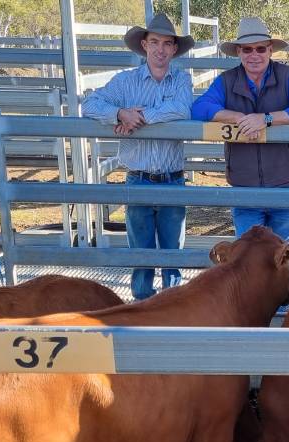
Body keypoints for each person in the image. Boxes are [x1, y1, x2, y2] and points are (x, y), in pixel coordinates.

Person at [82, 14, 194, 300]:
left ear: (173, 49)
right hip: (138, 178)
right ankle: (142, 306)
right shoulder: (125, 82)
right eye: (154, 42)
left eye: (167, 44)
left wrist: (137, 117)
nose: (160, 49)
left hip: (172, 179)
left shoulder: (182, 80)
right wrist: (119, 114)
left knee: (173, 255)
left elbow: (181, 109)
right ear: (144, 45)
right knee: (140, 255)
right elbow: (90, 104)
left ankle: (174, 306)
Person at [190, 17, 289, 243]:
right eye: (247, 49)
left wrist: (267, 119)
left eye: (260, 48)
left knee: (280, 256)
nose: (254, 55)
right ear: (239, 52)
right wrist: (236, 117)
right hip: (244, 185)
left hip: (285, 182)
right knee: (248, 258)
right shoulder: (226, 81)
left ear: (270, 50)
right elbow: (199, 108)